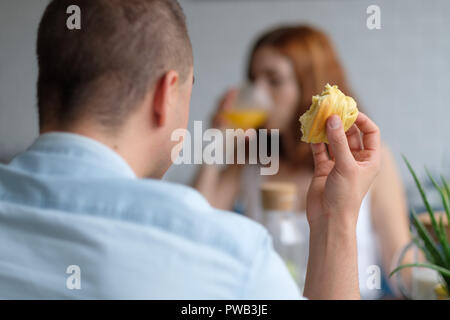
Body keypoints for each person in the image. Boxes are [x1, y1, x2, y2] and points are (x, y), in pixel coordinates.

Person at [0, 0, 380, 299]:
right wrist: (337, 217)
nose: (259, 92)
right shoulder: (231, 256)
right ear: (166, 95)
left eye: (274, 80)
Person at [194, 26, 409, 298]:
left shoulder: (368, 162)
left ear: (309, 84)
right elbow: (196, 224)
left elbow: (401, 267)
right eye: (253, 78)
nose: (258, 91)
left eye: (273, 80)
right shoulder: (252, 157)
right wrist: (216, 145)